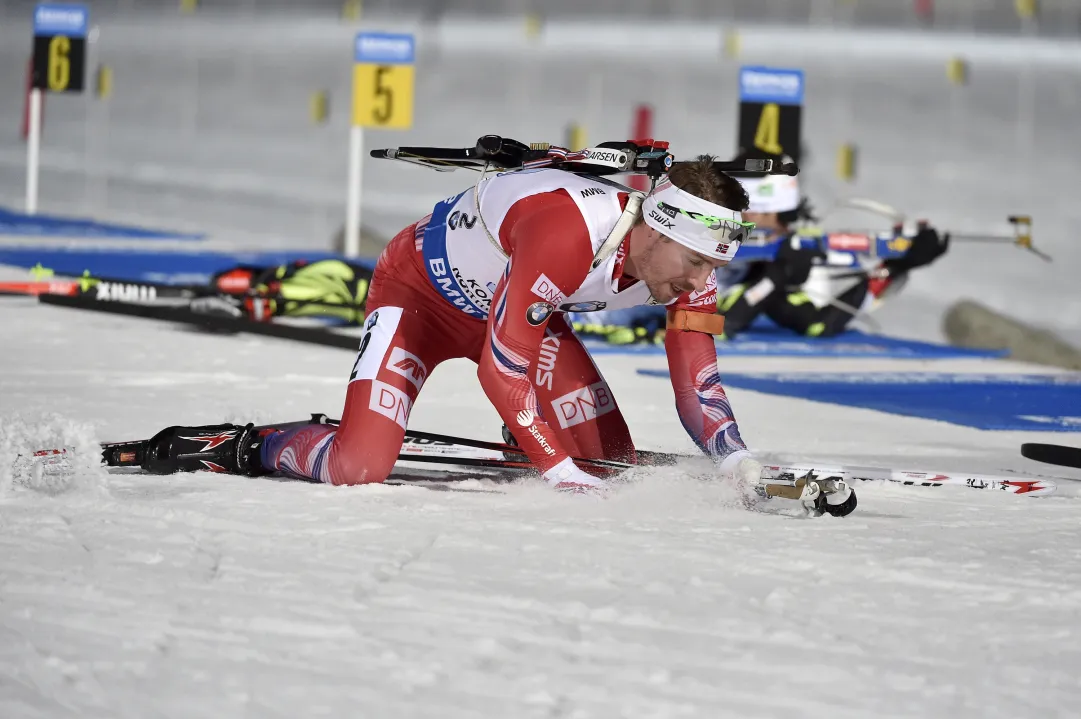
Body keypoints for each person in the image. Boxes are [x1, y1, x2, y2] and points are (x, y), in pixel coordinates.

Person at [140, 156, 763, 494]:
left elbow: (698, 389)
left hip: (519, 316)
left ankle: (528, 435)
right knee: (358, 468)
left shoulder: (689, 272)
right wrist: (554, 465)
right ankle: (250, 446)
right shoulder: (569, 232)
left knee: (613, 464)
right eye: (695, 260)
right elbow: (502, 367)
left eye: (714, 265)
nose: (699, 280)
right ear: (656, 228)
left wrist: (736, 460)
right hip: (419, 300)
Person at [572, 152, 950, 344]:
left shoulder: (758, 265)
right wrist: (775, 278)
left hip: (600, 328)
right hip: (576, 318)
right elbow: (730, 320)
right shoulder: (690, 222)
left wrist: (894, 267)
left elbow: (814, 323)